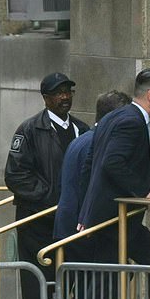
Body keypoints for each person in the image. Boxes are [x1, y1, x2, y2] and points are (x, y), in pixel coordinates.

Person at [75, 68, 150, 299]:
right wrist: (144, 191)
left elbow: (92, 163)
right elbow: (112, 163)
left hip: (110, 217)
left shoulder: (114, 117)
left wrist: (86, 213)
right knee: (107, 284)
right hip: (114, 219)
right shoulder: (132, 121)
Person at [4, 72, 90, 299]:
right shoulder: (30, 130)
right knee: (37, 291)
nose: (65, 97)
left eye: (68, 91)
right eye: (58, 92)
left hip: (71, 226)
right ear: (46, 98)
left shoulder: (82, 129)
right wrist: (54, 199)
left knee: (68, 290)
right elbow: (16, 176)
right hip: (38, 226)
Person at [53, 90, 132, 261]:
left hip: (70, 224)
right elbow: (88, 182)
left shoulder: (82, 139)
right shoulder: (98, 143)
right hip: (84, 227)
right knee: (100, 282)